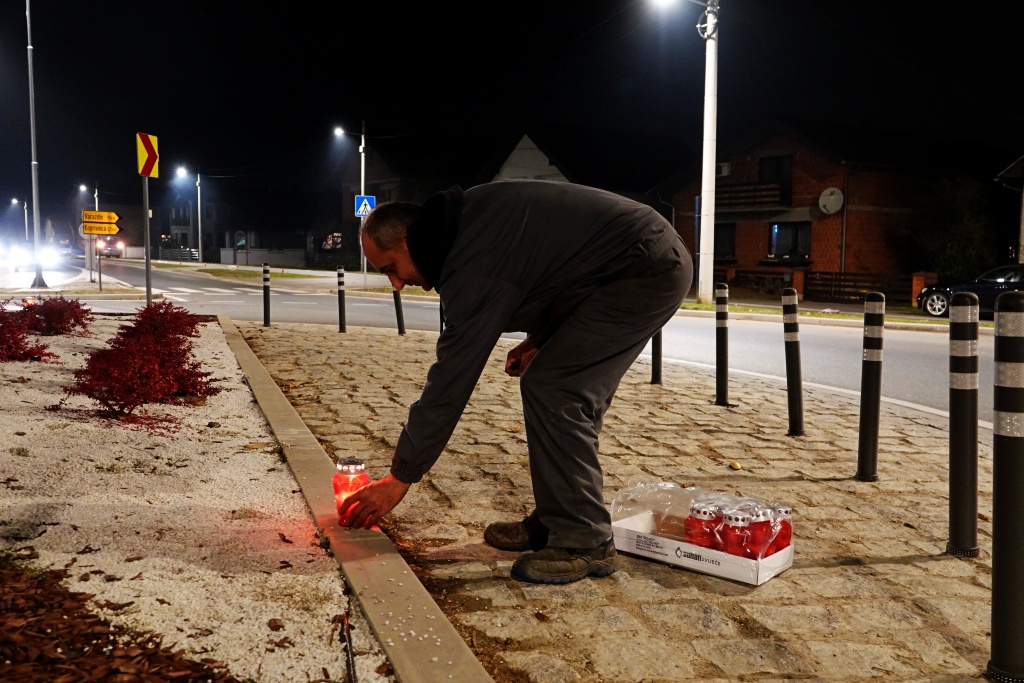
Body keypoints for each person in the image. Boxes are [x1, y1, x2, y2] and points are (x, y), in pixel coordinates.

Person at [340, 179, 692, 584]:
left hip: (645, 269)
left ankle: (583, 540)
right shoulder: (458, 229)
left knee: (558, 389)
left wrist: (400, 478)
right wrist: (539, 339)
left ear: (406, 239)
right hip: (620, 264)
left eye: (390, 268)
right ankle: (559, 516)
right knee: (552, 385)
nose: (396, 284)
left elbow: (450, 383)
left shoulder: (469, 261)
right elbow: (556, 266)